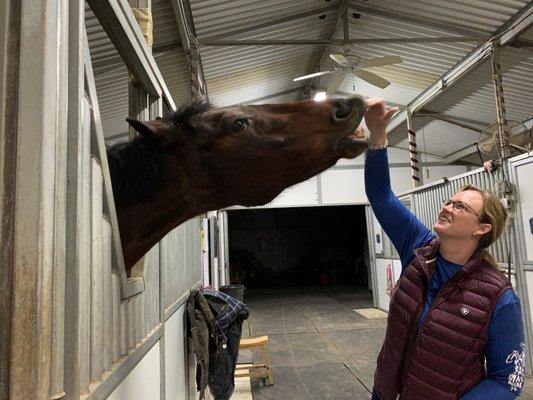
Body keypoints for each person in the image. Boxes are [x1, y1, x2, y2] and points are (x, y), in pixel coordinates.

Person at [363, 98, 525, 399]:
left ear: (482, 228)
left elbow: (508, 380)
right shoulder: (418, 247)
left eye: (460, 206)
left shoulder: (498, 296)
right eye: (449, 201)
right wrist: (377, 136)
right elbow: (381, 196)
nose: (447, 207)